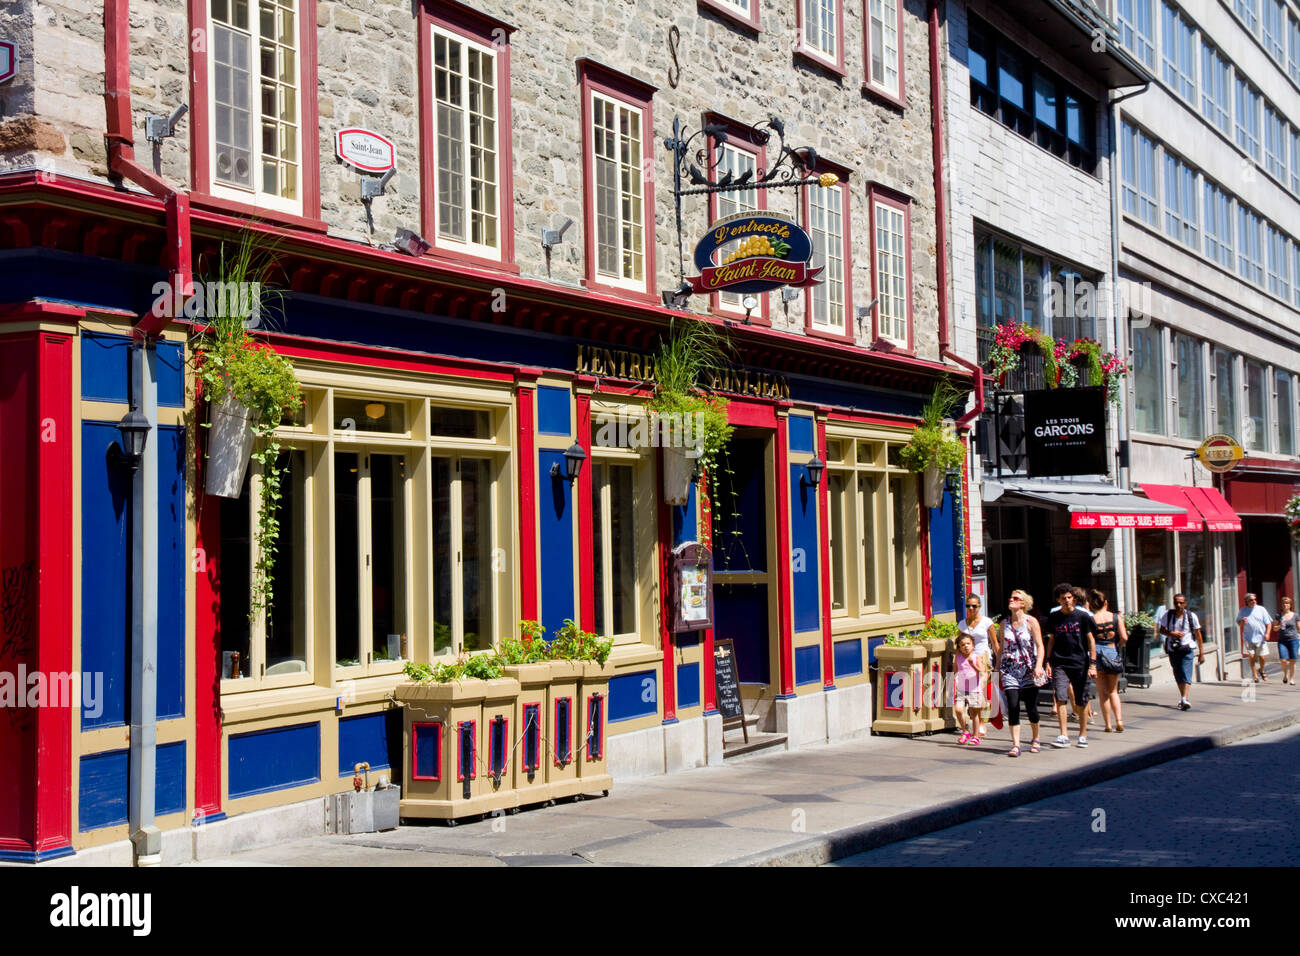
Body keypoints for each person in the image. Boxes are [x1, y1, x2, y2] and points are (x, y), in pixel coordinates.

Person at [991, 589, 1045, 756]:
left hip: (1028, 670)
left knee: (1031, 708)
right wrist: (997, 668)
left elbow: (1040, 645)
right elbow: (1001, 648)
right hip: (1010, 670)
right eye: (1011, 597)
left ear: (1023, 604)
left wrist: (1039, 666)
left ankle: (1035, 738)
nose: (1011, 600)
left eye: (1016, 598)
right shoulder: (1004, 623)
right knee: (1013, 706)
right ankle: (1016, 744)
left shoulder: (1031, 622)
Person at [1044, 583, 1097, 748]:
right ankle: (1063, 734)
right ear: (1058, 600)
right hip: (1060, 662)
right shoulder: (1054, 617)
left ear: (1073, 599)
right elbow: (1051, 639)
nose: (1067, 601)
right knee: (1060, 697)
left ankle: (1082, 734)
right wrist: (1047, 661)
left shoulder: (1083, 617)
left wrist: (1093, 664)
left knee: (1081, 699)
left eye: (1069, 597)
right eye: (1063, 598)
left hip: (1080, 662)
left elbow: (1091, 641)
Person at [1090, 589, 1128, 732]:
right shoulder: (1116, 618)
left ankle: (1107, 725)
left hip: (1097, 653)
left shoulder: (1092, 619)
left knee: (1102, 692)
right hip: (1112, 650)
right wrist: (1118, 646)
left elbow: (1090, 640)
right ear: (1106, 603)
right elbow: (1124, 637)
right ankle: (1119, 720)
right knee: (1113, 691)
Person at [959, 593, 996, 735]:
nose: (971, 608)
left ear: (979, 607)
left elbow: (994, 643)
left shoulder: (987, 622)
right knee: (971, 692)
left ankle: (981, 723)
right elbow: (959, 643)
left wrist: (999, 663)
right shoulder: (962, 624)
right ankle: (976, 721)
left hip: (983, 659)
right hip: (968, 661)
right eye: (968, 606)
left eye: (974, 606)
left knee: (980, 691)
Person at [1159, 592, 1204, 710]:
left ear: (1185, 603)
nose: (1178, 605)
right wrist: (1171, 633)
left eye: (1181, 603)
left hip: (1187, 647)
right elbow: (1161, 630)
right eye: (1176, 602)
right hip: (1173, 649)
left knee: (1186, 672)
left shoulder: (1191, 616)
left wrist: (1201, 653)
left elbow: (1198, 635)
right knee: (1178, 672)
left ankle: (1185, 698)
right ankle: (1183, 697)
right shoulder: (1168, 615)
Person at [953, 634, 987, 745]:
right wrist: (952, 682)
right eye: (962, 645)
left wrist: (974, 665)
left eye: (968, 644)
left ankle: (975, 736)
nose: (966, 646)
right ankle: (965, 731)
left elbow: (982, 672)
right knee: (958, 710)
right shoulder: (958, 656)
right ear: (959, 647)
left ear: (973, 645)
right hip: (961, 688)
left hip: (974, 688)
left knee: (974, 713)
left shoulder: (975, 657)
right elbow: (955, 670)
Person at [1237, 593, 1274, 683]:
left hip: (1261, 638)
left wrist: (1268, 634)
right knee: (1251, 656)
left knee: (1262, 657)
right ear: (1247, 601)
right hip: (1248, 638)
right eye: (1251, 600)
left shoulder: (1261, 609)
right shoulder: (1243, 611)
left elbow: (1269, 623)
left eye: (1255, 599)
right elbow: (1239, 624)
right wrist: (1242, 621)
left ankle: (1261, 670)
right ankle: (1255, 675)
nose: (1254, 601)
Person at [1274, 596, 1299, 686]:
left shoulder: (1295, 615)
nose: (1285, 605)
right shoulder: (1278, 615)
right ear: (1281, 605)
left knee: (1293, 660)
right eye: (1284, 603)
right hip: (1282, 641)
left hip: (1293, 640)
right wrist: (1280, 625)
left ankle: (1292, 679)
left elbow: (1299, 627)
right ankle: (1285, 675)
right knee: (1283, 660)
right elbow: (1275, 628)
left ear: (1290, 605)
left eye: (1287, 603)